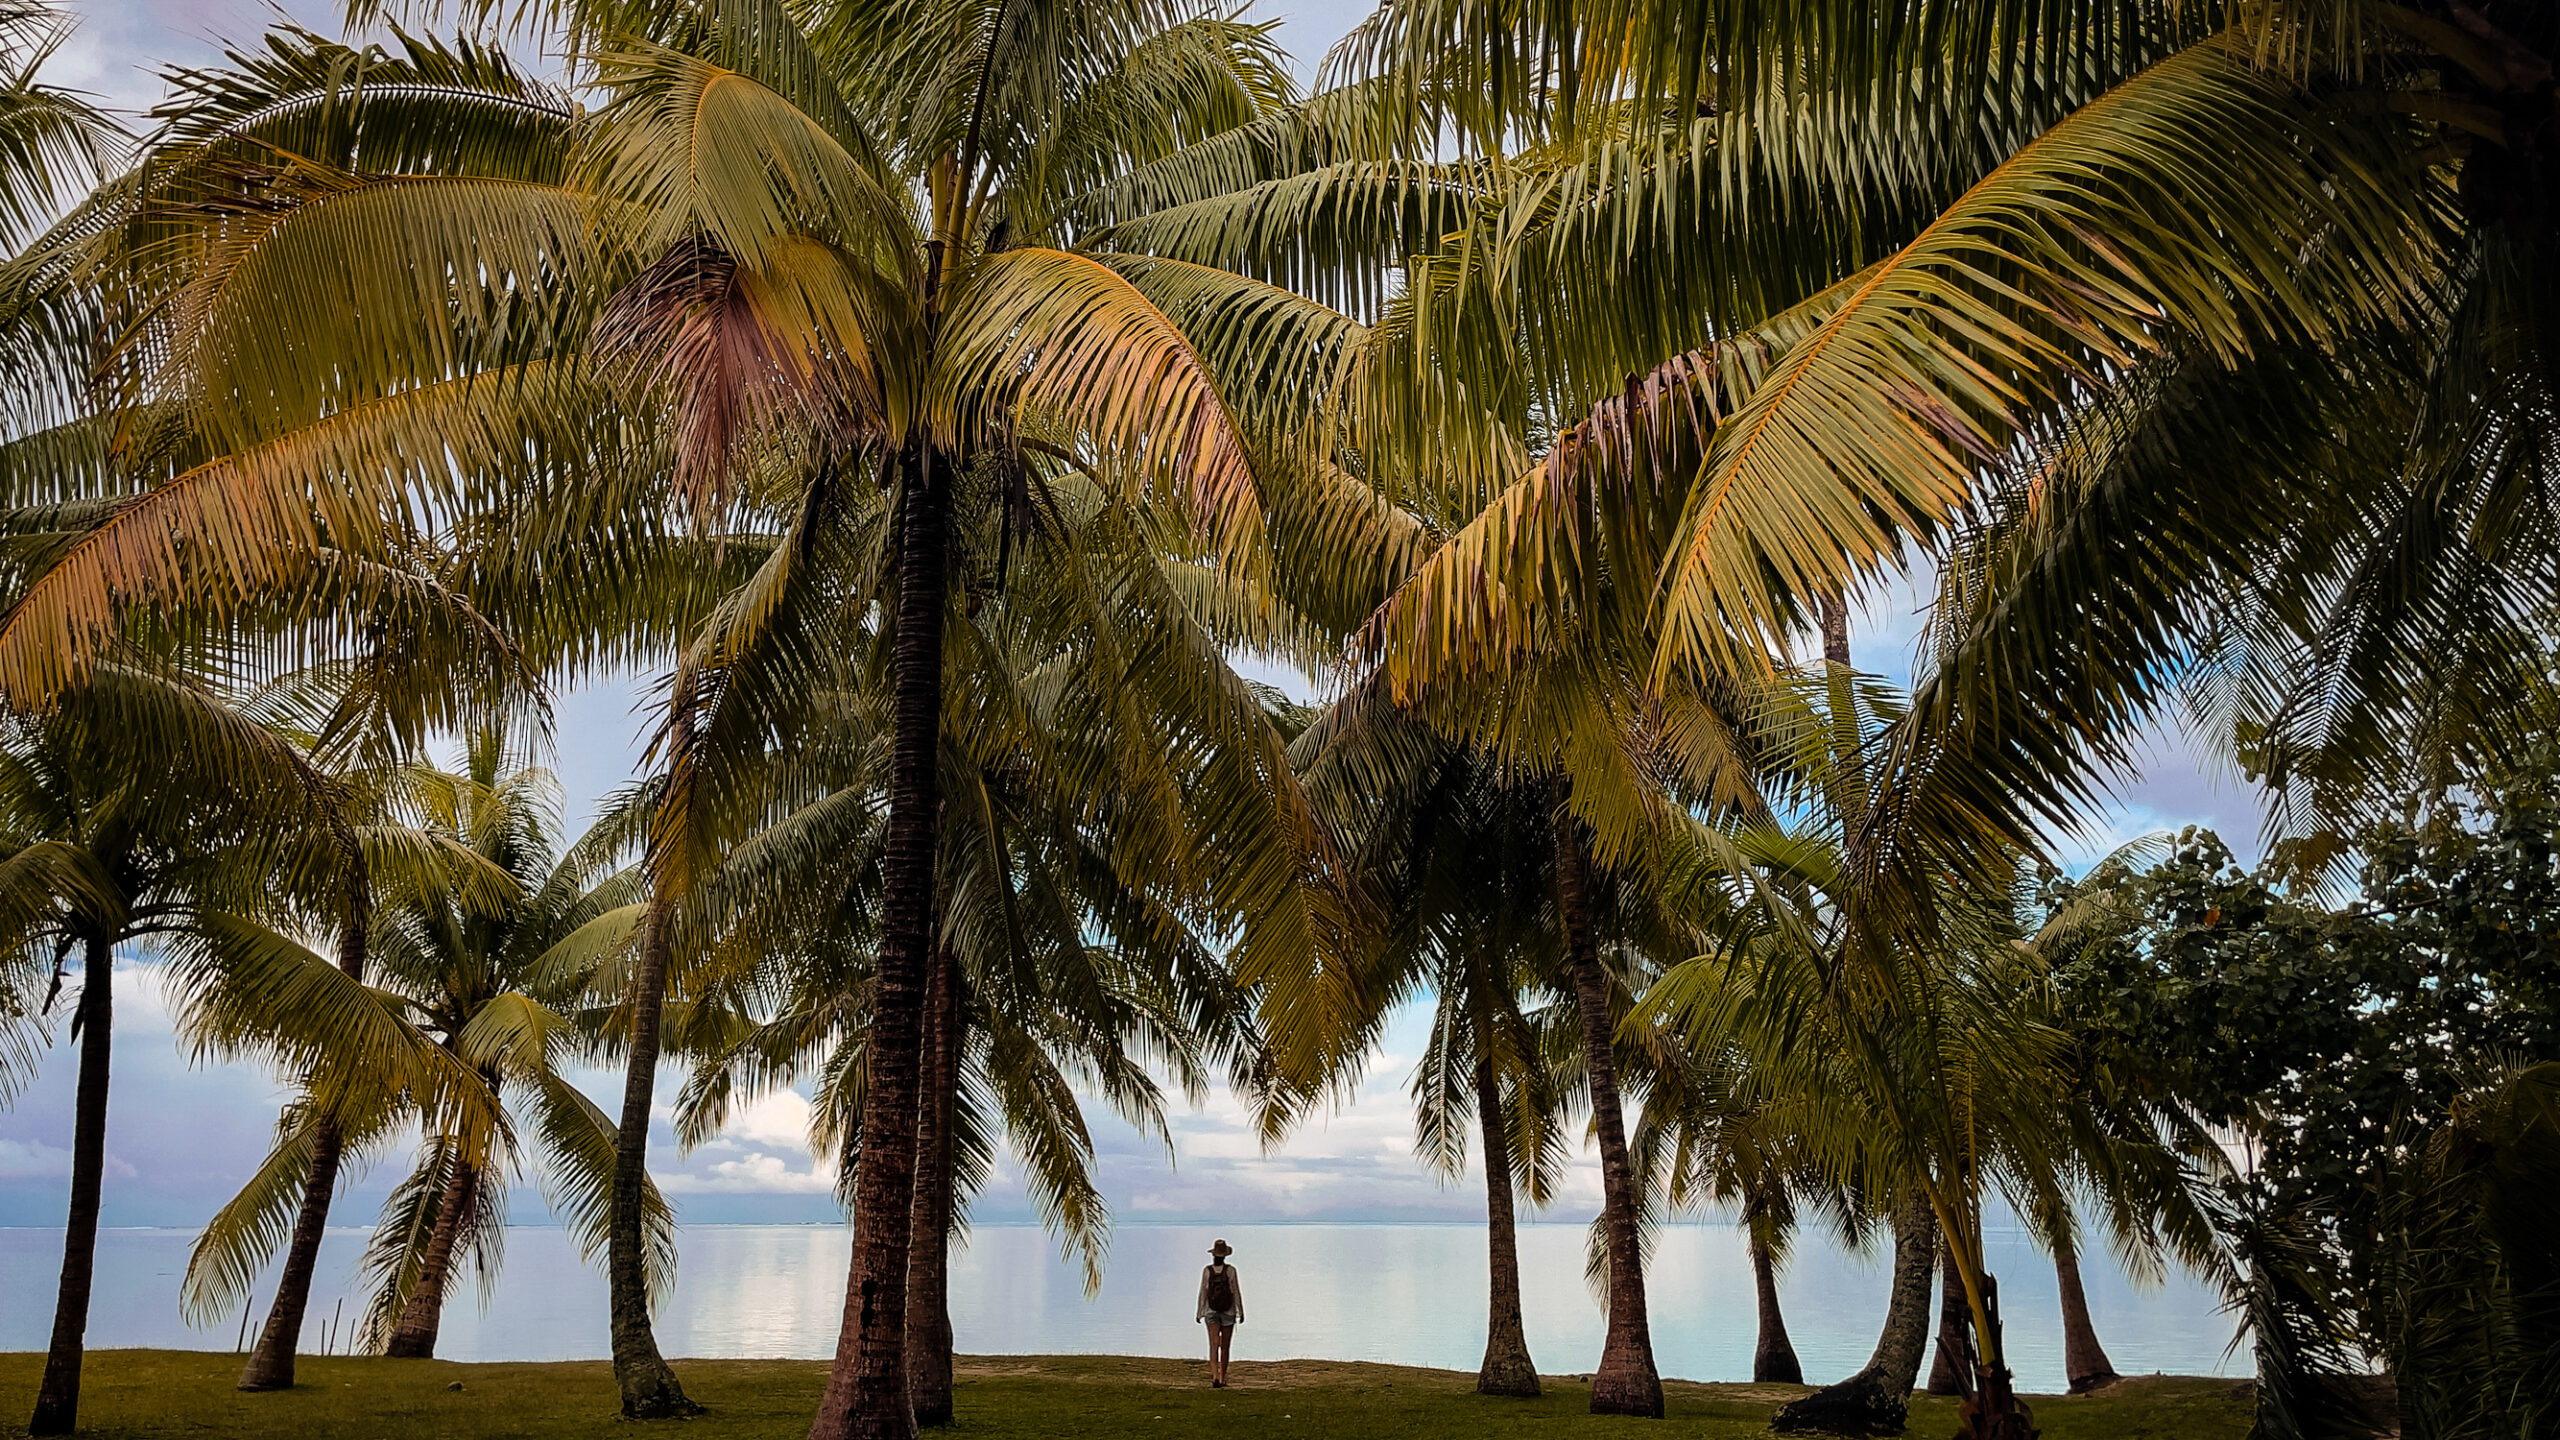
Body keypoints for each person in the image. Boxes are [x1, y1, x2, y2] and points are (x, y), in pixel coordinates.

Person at [1195, 1238, 1245, 1387]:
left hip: (1211, 1310)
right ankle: (1223, 1378)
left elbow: (1203, 1292)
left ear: (1213, 1255)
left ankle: (1214, 1376)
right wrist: (1240, 1311)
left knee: (1213, 1344)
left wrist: (1199, 1312)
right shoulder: (1231, 1270)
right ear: (1225, 1256)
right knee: (1225, 1346)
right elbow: (1235, 1291)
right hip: (1228, 1311)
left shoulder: (1207, 1271)